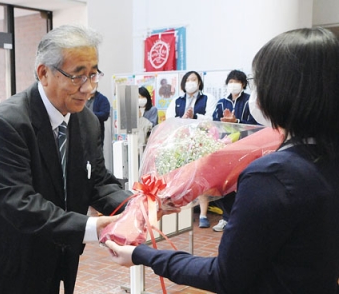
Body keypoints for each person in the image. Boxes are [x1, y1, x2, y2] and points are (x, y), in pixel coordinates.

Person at [105, 27, 339, 293]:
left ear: (284, 90)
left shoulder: (274, 174)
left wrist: (141, 255)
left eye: (258, 82)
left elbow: (224, 276)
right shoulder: (322, 160)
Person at [0, 25, 133, 294]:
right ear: (44, 72)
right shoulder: (8, 123)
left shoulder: (87, 121)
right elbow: (18, 202)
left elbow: (97, 181)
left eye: (93, 75)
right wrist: (91, 227)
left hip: (53, 261)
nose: (89, 88)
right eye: (78, 76)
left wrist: (135, 205)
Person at [166, 71, 217, 228]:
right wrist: (183, 119)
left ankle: (202, 214)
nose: (191, 82)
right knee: (181, 178)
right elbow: (170, 120)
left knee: (200, 178)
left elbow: (211, 119)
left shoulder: (207, 98)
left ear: (199, 82)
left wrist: (195, 116)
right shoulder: (177, 101)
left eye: (194, 79)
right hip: (181, 143)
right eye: (188, 80)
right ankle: (181, 213)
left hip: (201, 143)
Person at [211, 70, 258, 232]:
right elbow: (214, 124)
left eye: (237, 81)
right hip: (226, 149)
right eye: (230, 81)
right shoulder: (221, 102)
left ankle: (244, 219)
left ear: (243, 84)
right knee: (226, 184)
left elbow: (256, 125)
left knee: (244, 183)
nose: (233, 84)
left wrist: (236, 121)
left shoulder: (250, 102)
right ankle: (227, 218)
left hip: (246, 148)